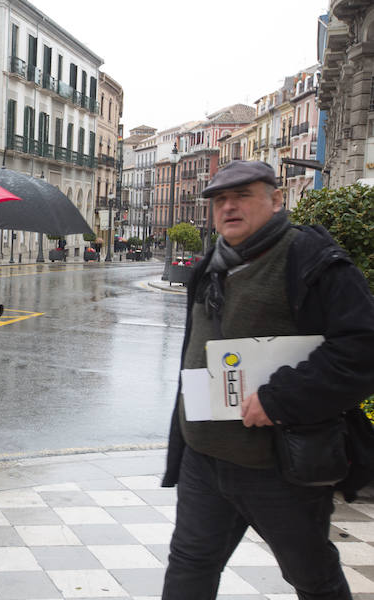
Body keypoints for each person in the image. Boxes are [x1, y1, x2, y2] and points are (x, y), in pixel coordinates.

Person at [160, 161, 374, 599]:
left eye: (242, 195)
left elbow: (363, 347)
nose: (228, 207)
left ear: (276, 200)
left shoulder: (311, 260)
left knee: (312, 577)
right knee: (189, 565)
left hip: (278, 467)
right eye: (220, 199)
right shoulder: (212, 263)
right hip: (204, 457)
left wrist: (282, 398)